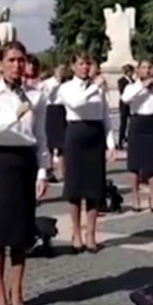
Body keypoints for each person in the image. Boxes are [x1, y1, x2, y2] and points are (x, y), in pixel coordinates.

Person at [0, 41, 49, 305]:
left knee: (20, 233)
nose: (17, 65)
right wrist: (13, 117)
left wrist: (43, 171)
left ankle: (17, 290)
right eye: (11, 60)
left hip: (24, 162)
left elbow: (41, 136)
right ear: (1, 63)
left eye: (21, 60)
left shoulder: (36, 96)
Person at [58, 53, 116, 254]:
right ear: (73, 66)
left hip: (95, 136)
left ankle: (91, 233)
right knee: (75, 189)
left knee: (94, 189)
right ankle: (76, 233)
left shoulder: (98, 89)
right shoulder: (66, 88)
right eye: (81, 63)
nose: (85, 67)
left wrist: (111, 143)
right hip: (76, 133)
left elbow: (105, 116)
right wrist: (94, 87)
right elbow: (76, 104)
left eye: (87, 63)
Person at [121, 60, 153, 212]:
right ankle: (136, 198)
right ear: (138, 70)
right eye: (144, 68)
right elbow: (125, 99)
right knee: (134, 164)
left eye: (150, 68)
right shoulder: (131, 87)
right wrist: (142, 86)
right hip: (137, 123)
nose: (147, 71)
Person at [42, 65, 67, 178]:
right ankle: (49, 171)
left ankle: (63, 173)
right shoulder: (48, 82)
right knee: (50, 145)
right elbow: (48, 96)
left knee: (62, 145)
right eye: (59, 71)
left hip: (62, 111)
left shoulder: (66, 83)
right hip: (51, 110)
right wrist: (56, 83)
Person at [117, 64, 134, 148]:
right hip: (124, 104)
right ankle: (120, 141)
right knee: (123, 123)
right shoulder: (121, 80)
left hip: (132, 104)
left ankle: (130, 138)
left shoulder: (133, 80)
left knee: (132, 122)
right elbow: (122, 91)